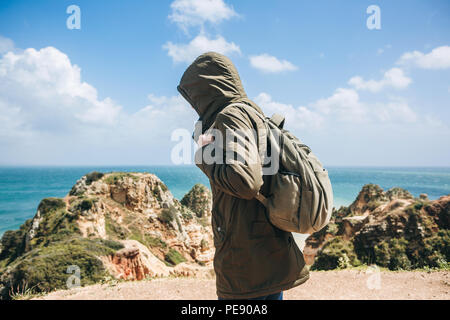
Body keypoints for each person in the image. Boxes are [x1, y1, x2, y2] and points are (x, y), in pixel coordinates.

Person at [177, 52, 309, 300]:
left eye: (194, 97)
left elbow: (245, 181)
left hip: (245, 255)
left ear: (207, 90)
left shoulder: (231, 115)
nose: (194, 105)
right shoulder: (253, 113)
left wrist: (204, 154)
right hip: (267, 246)